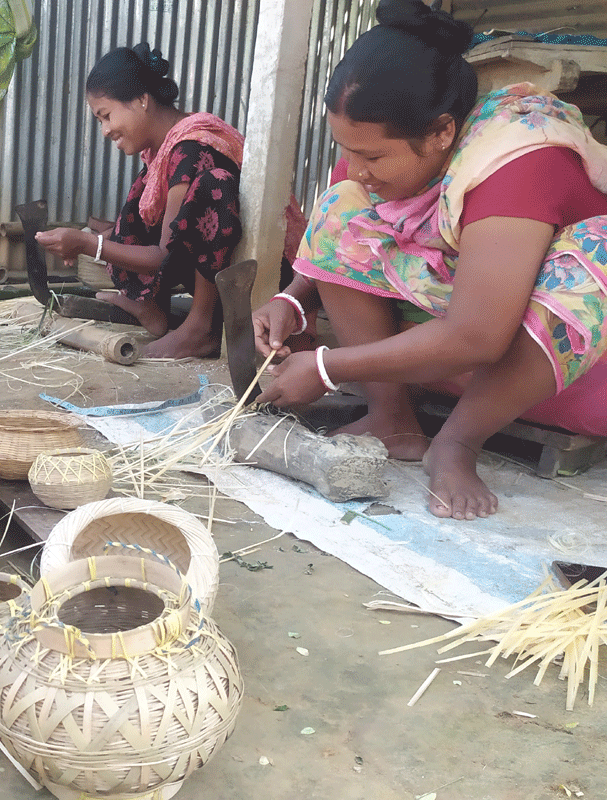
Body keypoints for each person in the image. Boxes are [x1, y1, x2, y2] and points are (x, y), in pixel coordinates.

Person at [253, 0, 607, 520]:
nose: (357, 168)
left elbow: (477, 336)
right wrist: (292, 298)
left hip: (558, 358)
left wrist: (327, 367)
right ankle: (391, 419)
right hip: (460, 338)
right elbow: (341, 234)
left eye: (372, 156)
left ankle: (458, 442)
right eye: (347, 150)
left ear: (442, 132)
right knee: (340, 208)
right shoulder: (389, 153)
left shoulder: (518, 159)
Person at [35, 43, 305, 360]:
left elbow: (165, 255)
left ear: (142, 100)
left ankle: (200, 327)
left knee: (212, 186)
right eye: (100, 121)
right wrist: (98, 237)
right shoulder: (165, 150)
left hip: (267, 280)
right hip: (225, 273)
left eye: (106, 116)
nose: (106, 130)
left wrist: (87, 244)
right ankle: (152, 305)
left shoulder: (191, 148)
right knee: (140, 198)